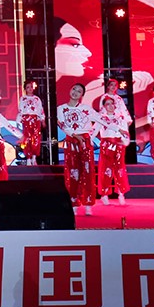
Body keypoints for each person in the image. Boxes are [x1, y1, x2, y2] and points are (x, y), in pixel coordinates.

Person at [56, 83, 98, 215]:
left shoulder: (86, 109)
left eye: (79, 91)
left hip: (85, 142)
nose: (75, 92)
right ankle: (74, 202)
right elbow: (63, 126)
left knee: (87, 171)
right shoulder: (61, 109)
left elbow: (101, 119)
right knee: (73, 172)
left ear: (82, 95)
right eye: (74, 89)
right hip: (71, 142)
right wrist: (75, 135)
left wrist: (119, 129)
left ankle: (88, 203)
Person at [93, 96, 132, 205]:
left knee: (120, 169)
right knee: (106, 169)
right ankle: (104, 194)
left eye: (112, 103)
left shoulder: (121, 117)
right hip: (106, 145)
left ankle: (121, 193)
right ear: (104, 107)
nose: (110, 106)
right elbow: (94, 131)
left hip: (119, 145)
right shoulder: (101, 118)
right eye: (107, 104)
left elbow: (125, 132)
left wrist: (125, 142)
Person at [17, 81, 45, 165]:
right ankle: (28, 158)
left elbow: (41, 110)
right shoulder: (23, 98)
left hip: (36, 120)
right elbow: (20, 110)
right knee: (27, 139)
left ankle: (34, 158)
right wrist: (20, 120)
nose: (30, 89)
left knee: (36, 138)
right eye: (28, 87)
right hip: (26, 120)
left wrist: (43, 120)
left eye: (31, 87)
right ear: (25, 89)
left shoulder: (37, 99)